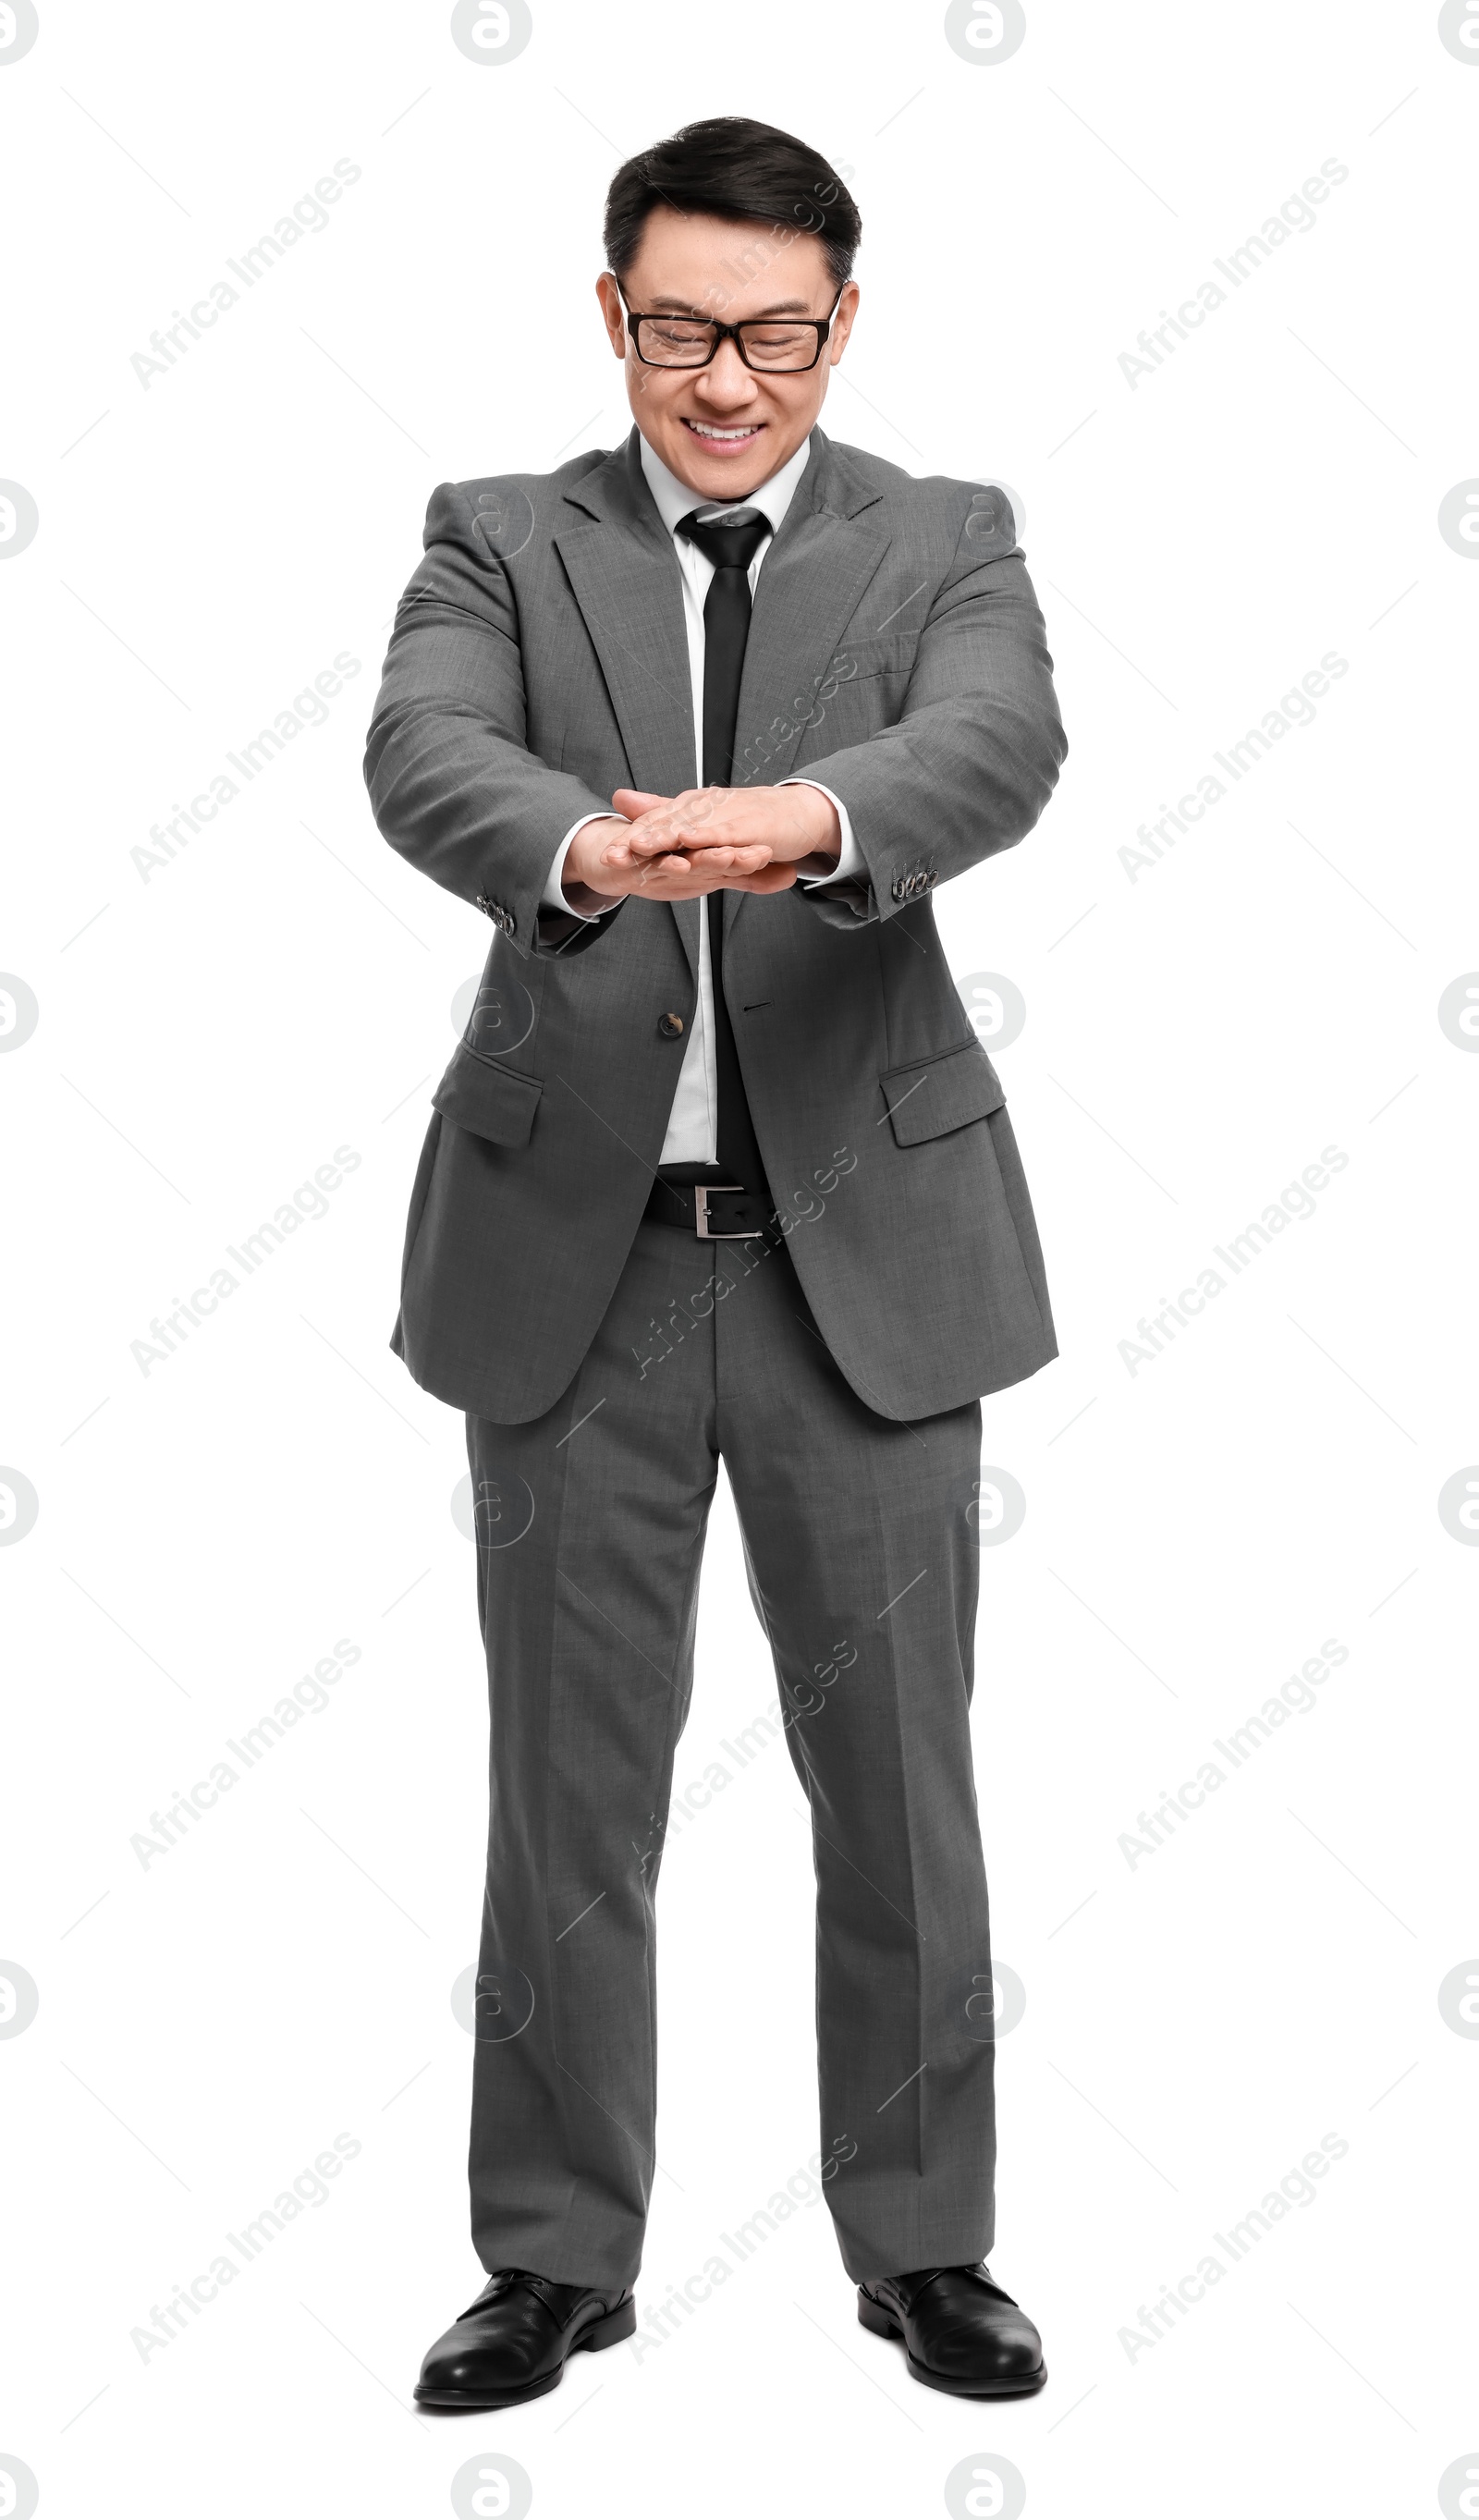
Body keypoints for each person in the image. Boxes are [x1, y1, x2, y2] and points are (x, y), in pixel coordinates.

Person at [363, 114, 1066, 2409]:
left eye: (773, 332)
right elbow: (421, 753)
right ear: (614, 322)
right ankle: (553, 2252)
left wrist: (814, 819)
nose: (726, 380)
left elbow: (993, 744)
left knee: (899, 1785)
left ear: (840, 326)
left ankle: (926, 2242)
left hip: (859, 1263)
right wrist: (581, 838)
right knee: (565, 1796)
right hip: (576, 1267)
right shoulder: (500, 535)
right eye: (680, 329)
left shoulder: (939, 537)